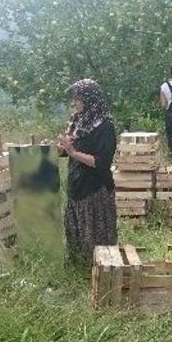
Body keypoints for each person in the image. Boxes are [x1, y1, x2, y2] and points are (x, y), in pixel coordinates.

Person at [57, 79, 118, 267]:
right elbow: (68, 150)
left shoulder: (105, 127)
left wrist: (73, 152)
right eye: (73, 99)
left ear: (90, 99)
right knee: (76, 231)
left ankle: (101, 270)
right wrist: (62, 148)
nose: (73, 103)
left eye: (78, 99)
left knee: (96, 236)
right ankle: (79, 267)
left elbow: (101, 163)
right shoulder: (77, 121)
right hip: (76, 184)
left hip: (95, 188)